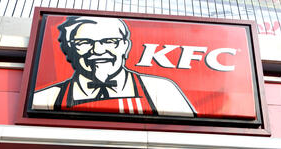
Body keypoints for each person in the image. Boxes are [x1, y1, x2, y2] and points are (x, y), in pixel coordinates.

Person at [32, 16, 196, 117]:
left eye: (110, 41)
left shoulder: (161, 90)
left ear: (126, 46)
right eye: (84, 43)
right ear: (70, 47)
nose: (98, 50)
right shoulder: (45, 98)